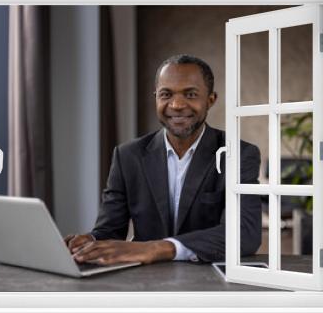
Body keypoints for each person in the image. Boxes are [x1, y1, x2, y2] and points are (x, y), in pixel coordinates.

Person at [64, 54, 261, 265]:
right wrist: (91, 241)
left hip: (208, 281)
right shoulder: (128, 156)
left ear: (210, 100)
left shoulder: (238, 154)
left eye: (191, 94)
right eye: (166, 94)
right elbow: (111, 229)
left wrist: (158, 248)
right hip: (144, 281)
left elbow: (245, 233)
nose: (176, 104)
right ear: (156, 97)